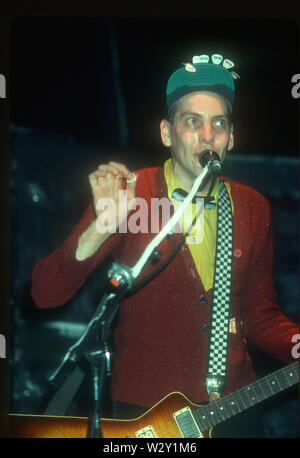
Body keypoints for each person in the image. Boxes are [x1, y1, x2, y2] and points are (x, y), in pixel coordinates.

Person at [31, 54, 298, 437]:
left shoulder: (252, 206)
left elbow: (261, 316)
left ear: (231, 138)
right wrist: (100, 229)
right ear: (166, 133)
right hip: (147, 420)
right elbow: (44, 294)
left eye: (219, 124)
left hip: (233, 408)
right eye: (192, 121)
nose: (208, 135)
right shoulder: (132, 193)